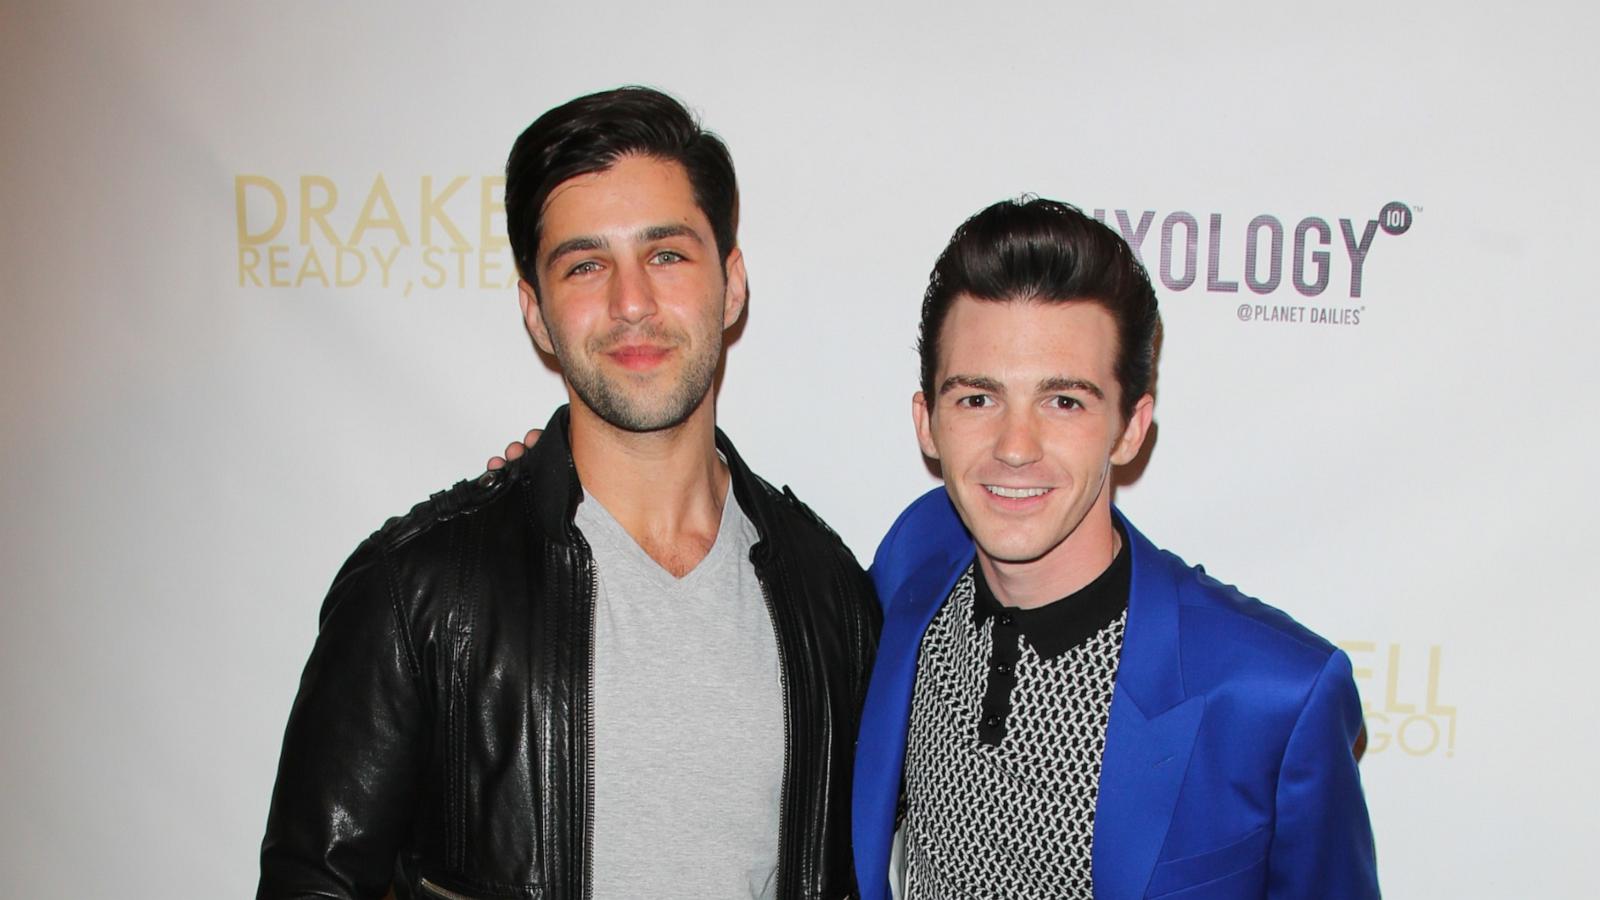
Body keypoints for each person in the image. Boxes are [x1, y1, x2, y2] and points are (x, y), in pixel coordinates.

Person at [258, 87, 879, 900]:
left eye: (666, 255)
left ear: (731, 286)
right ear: (537, 315)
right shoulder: (420, 594)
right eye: (586, 265)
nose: (632, 303)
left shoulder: (829, 594)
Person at [851, 197, 1379, 899]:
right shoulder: (915, 557)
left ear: (1131, 428)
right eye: (977, 399)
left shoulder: (1272, 696)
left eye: (1064, 401)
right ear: (928, 422)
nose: (1014, 448)